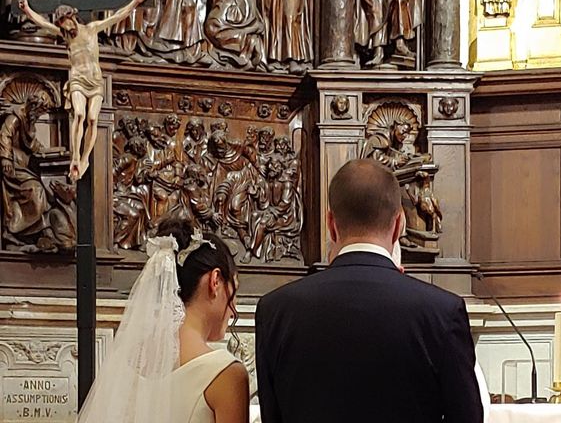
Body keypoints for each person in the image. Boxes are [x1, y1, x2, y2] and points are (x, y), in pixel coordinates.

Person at [256, 159, 482, 423]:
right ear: (399, 225)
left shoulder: (275, 311)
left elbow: (272, 416)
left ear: (331, 224)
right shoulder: (442, 312)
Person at [77, 218, 249, 423]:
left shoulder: (125, 364)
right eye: (235, 289)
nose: (234, 309)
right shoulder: (225, 374)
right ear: (215, 281)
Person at [18, 0, 146, 181]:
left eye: (63, 21)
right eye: (60, 23)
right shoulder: (65, 35)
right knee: (79, 114)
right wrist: (27, 10)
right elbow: (42, 23)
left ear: (71, 17)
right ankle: (76, 157)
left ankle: (85, 158)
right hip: (77, 79)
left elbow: (118, 15)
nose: (62, 26)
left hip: (95, 81)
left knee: (93, 119)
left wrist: (135, 2)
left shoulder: (92, 28)